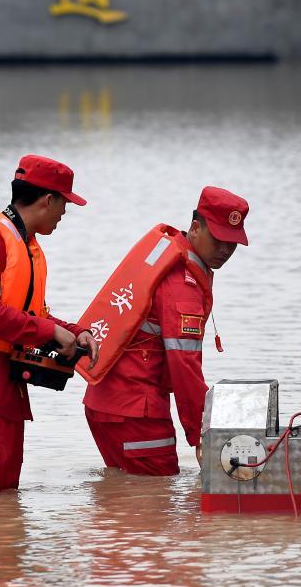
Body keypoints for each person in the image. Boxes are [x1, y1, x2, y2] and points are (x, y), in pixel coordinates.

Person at [0, 154, 99, 495]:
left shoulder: (24, 245)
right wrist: (49, 332)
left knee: (2, 512)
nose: (64, 213)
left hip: (7, 392)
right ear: (48, 200)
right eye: (65, 204)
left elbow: (32, 315)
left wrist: (73, 330)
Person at [80, 186, 249, 475]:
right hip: (137, 411)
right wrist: (201, 435)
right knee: (154, 508)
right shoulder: (182, 286)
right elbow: (184, 367)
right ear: (195, 228)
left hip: (104, 403)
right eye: (219, 239)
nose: (225, 250)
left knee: (127, 501)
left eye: (232, 243)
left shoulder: (172, 260)